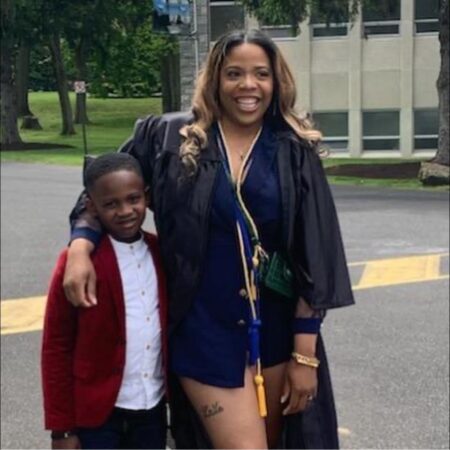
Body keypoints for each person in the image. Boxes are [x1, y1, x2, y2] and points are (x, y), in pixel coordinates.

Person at [63, 29, 355, 449]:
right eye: (234, 73)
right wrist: (80, 246)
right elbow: (102, 191)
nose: (248, 86)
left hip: (274, 331)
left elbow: (314, 253)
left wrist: (304, 355)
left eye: (261, 74)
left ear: (277, 81)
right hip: (203, 332)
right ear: (215, 78)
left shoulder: (293, 151)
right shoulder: (169, 138)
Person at [41, 153, 168, 449]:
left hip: (152, 411)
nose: (125, 211)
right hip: (96, 419)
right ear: (91, 207)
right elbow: (56, 348)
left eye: (133, 199)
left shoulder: (161, 253)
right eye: (110, 204)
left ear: (146, 198)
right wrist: (61, 429)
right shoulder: (76, 264)